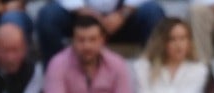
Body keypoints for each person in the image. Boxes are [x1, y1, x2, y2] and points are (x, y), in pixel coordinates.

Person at [39, 0, 167, 60]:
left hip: (125, 15)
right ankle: (55, 80)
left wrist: (124, 13)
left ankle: (154, 78)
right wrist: (81, 10)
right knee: (48, 16)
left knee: (153, 13)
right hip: (80, 15)